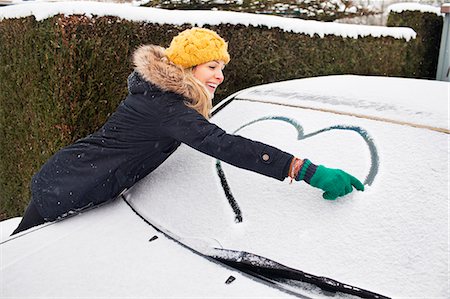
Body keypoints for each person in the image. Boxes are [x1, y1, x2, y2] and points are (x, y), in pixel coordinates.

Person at [11, 28, 364, 235]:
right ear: (187, 67)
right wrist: (303, 170)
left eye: (221, 67)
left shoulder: (160, 97)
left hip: (71, 178)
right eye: (212, 66)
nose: (220, 76)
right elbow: (221, 143)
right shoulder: (166, 108)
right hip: (68, 187)